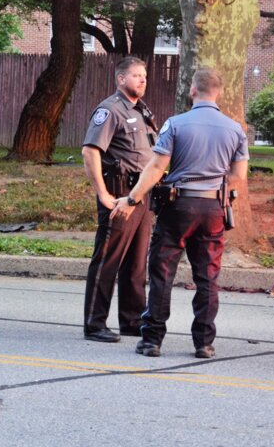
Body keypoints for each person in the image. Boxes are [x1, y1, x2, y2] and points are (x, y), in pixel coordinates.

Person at [110, 68, 249, 358]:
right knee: (207, 277)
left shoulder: (175, 124)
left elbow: (157, 167)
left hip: (178, 207)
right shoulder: (235, 129)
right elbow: (239, 175)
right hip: (213, 208)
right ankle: (204, 343)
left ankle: (152, 341)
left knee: (162, 273)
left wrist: (132, 198)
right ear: (219, 92)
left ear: (192, 90)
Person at [81, 57, 158, 343]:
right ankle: (94, 323)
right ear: (120, 79)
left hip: (142, 194)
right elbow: (90, 152)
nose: (142, 80)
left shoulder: (142, 111)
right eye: (136, 75)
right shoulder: (110, 110)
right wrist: (103, 194)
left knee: (137, 262)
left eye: (144, 76)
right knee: (107, 259)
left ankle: (131, 319)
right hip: (120, 192)